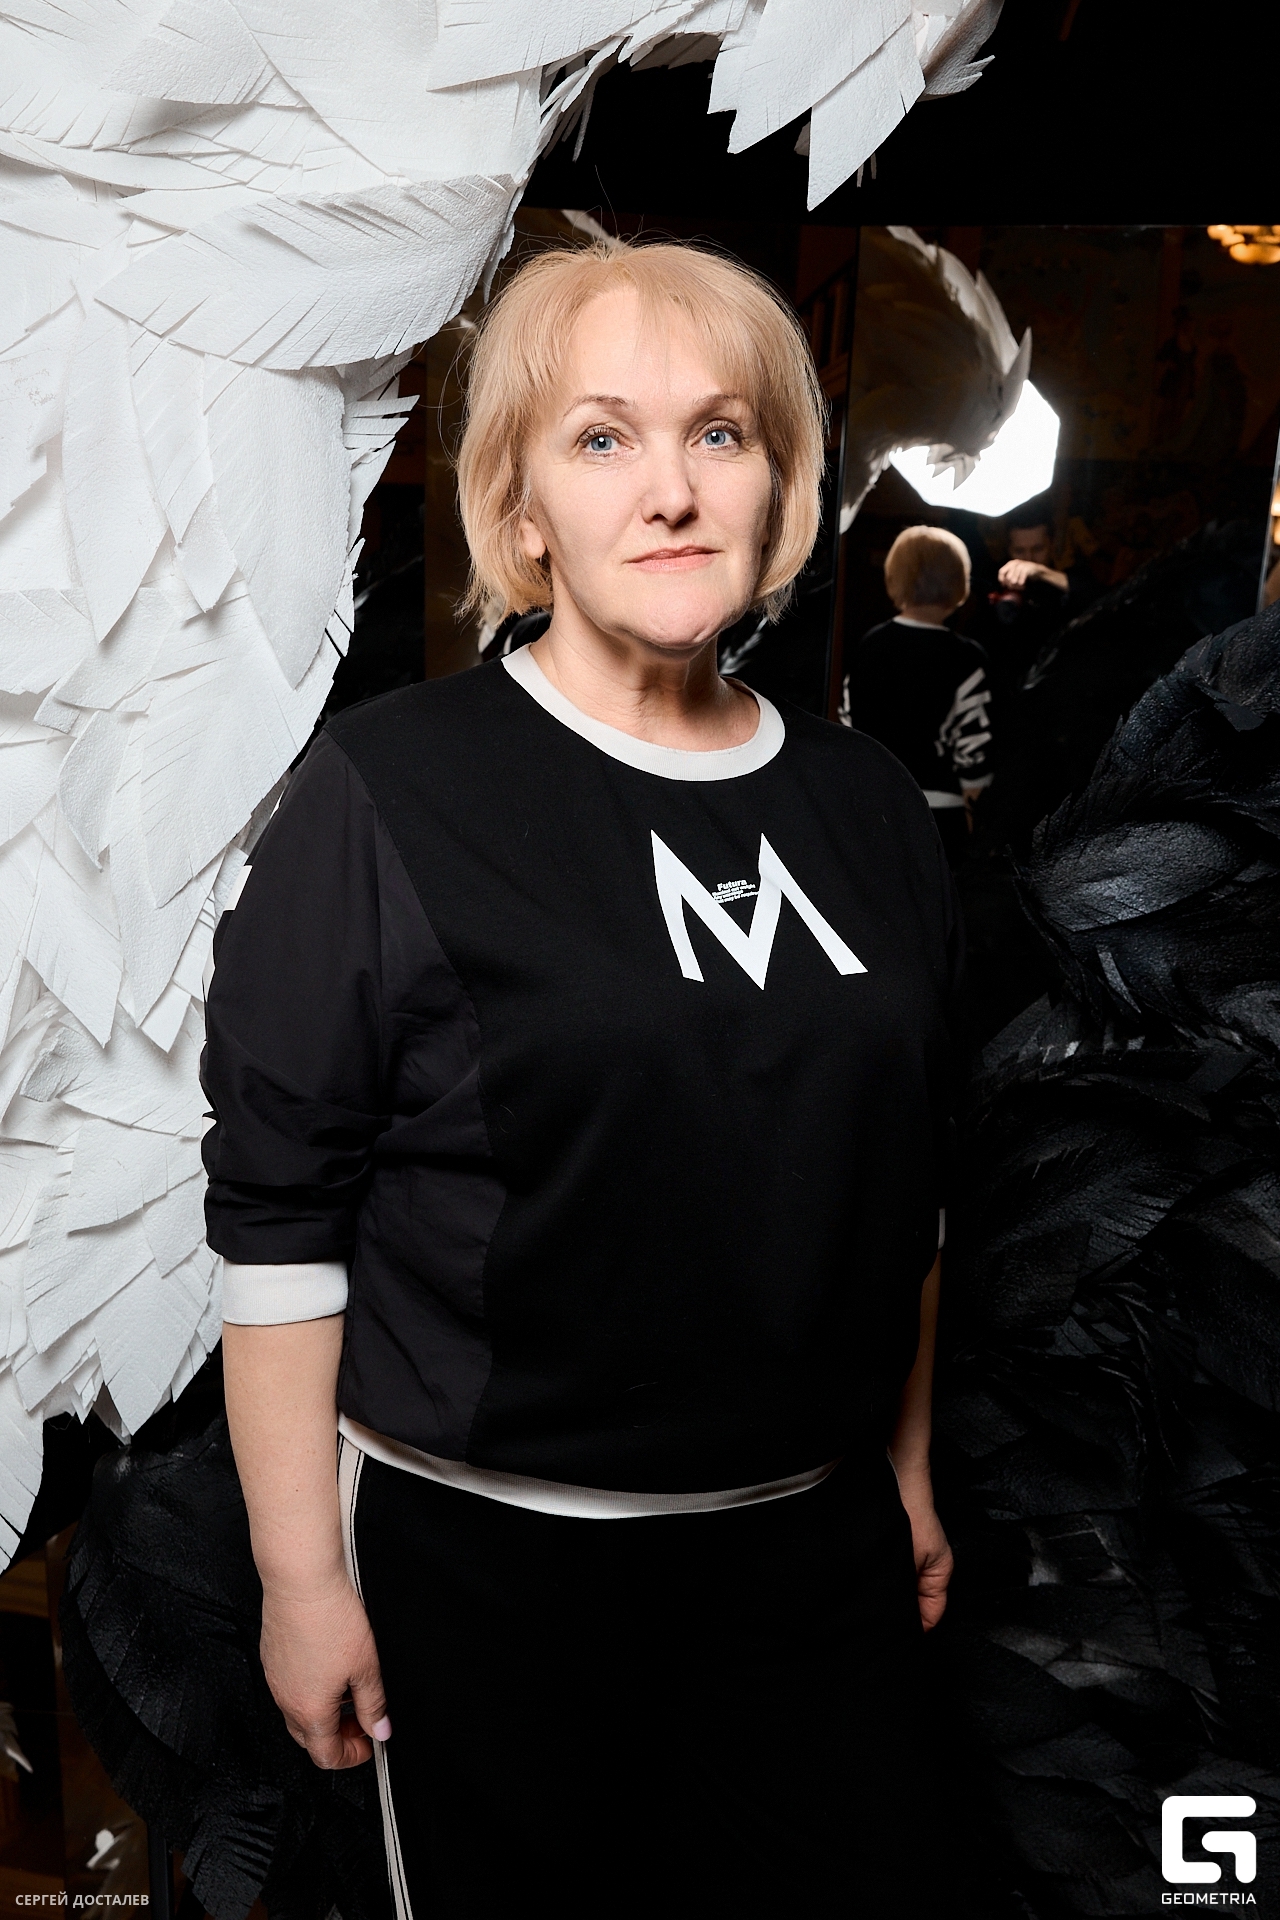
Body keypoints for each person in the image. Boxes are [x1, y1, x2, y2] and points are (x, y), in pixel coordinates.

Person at [203, 239, 960, 1918]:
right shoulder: (392, 788)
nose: (671, 489)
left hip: (811, 1556)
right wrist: (298, 1577)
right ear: (522, 504)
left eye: (721, 434)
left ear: (780, 487)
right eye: (603, 437)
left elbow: (908, 1186)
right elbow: (280, 1223)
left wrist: (904, 1476)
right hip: (487, 1569)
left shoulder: (871, 806)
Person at [842, 523, 993, 867]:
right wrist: (977, 813)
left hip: (873, 803)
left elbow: (848, 724)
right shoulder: (966, 657)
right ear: (959, 583)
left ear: (895, 578)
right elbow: (974, 743)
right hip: (940, 812)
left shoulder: (870, 646)